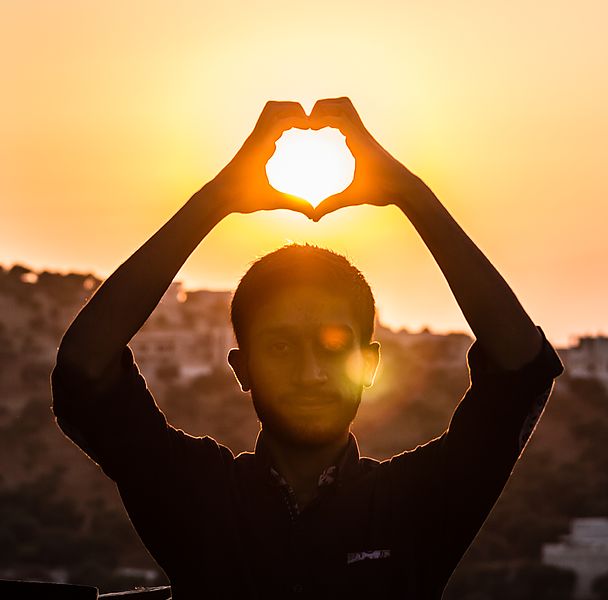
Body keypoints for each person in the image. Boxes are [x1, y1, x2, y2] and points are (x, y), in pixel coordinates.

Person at [52, 98, 564, 599]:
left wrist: (410, 194)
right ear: (241, 368)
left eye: (335, 347)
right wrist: (216, 199)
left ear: (370, 364)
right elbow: (86, 369)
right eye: (280, 346)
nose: (312, 372)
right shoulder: (196, 493)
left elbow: (519, 368)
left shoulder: (414, 503)